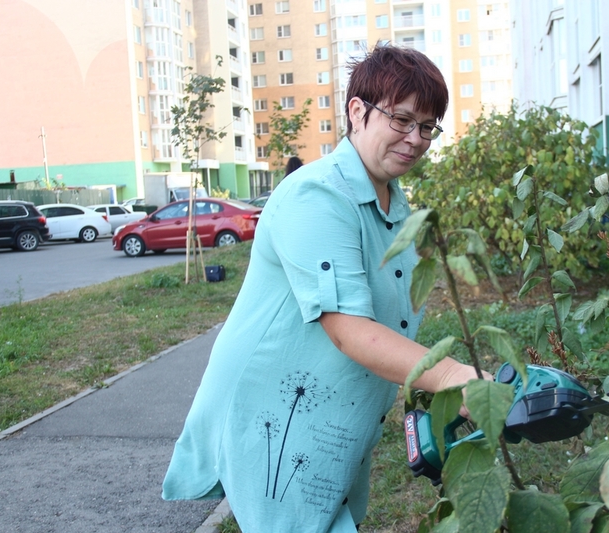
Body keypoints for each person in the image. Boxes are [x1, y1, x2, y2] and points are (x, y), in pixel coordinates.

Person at [162, 44, 487, 532]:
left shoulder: (393, 203)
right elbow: (349, 330)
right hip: (277, 415)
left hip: (333, 417)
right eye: (401, 120)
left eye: (427, 127)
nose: (415, 138)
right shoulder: (317, 195)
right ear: (358, 111)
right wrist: (448, 376)